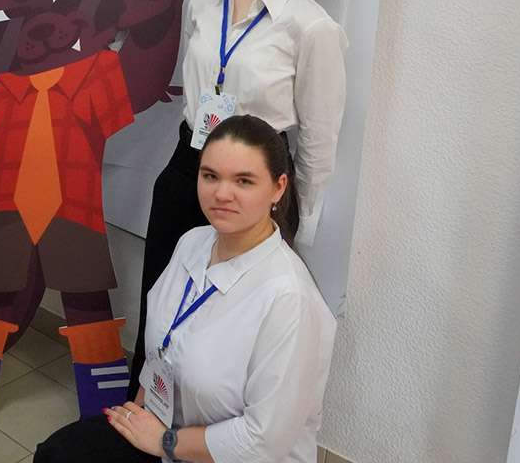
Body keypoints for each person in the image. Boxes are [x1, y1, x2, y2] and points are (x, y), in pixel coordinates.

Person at [130, 0, 346, 390]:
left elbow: (319, 137)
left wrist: (298, 220)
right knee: (161, 299)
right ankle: (140, 410)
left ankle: (201, 426)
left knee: (229, 321)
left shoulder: (310, 26)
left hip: (255, 182)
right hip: (188, 165)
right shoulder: (204, 5)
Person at [36, 115, 336, 463]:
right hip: (167, 434)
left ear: (278, 187)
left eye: (244, 180)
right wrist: (135, 418)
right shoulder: (193, 243)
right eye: (210, 176)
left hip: (230, 456)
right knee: (58, 454)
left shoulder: (289, 299)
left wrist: (165, 441)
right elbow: (161, 349)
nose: (221, 193)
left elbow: (261, 441)